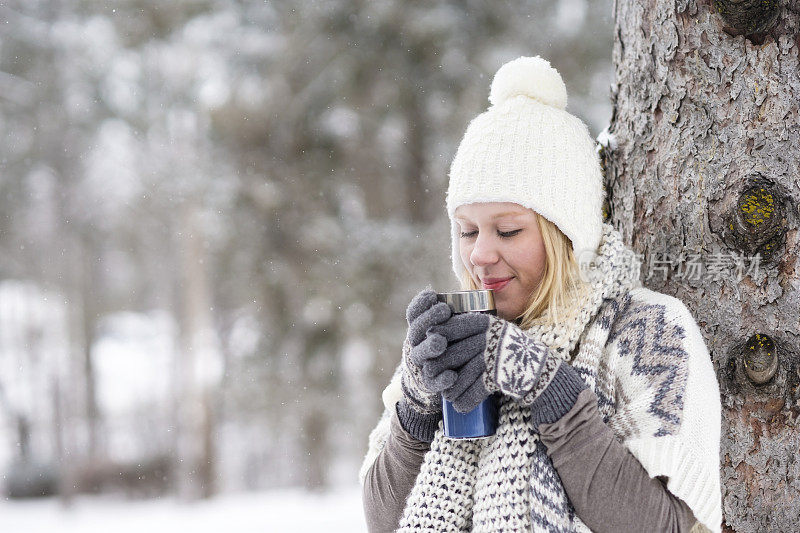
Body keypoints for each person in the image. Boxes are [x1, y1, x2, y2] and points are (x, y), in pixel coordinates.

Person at [359, 56, 722, 533]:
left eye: (507, 231)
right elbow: (383, 522)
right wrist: (416, 405)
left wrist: (553, 391)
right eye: (467, 232)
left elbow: (670, 527)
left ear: (565, 234)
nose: (480, 255)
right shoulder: (457, 342)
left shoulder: (647, 331)